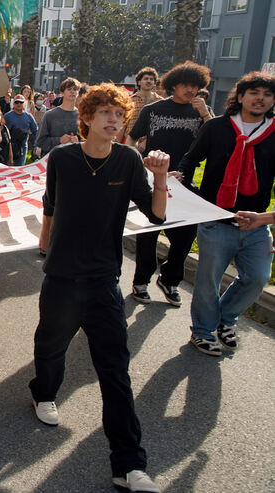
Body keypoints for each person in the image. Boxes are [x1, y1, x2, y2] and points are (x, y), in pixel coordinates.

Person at [33, 83, 168, 493]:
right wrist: (45, 241)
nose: (114, 120)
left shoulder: (128, 161)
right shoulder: (61, 158)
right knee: (50, 347)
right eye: (106, 113)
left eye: (119, 114)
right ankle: (43, 393)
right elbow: (51, 205)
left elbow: (156, 215)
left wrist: (159, 176)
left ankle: (129, 465)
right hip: (60, 276)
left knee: (115, 370)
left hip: (103, 281)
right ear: (87, 118)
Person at [178, 71, 275, 356]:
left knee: (257, 278)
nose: (261, 99)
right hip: (215, 219)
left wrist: (266, 219)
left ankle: (226, 319)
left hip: (256, 224)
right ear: (240, 96)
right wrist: (180, 179)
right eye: (254, 92)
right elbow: (191, 158)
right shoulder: (217, 127)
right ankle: (203, 331)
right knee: (208, 280)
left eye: (268, 95)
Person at [124, 62, 211, 306]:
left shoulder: (201, 112)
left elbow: (219, 138)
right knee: (148, 235)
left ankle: (170, 279)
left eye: (196, 86)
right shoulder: (153, 110)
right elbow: (131, 138)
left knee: (185, 236)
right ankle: (141, 281)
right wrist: (139, 165)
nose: (191, 90)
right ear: (173, 84)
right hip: (152, 181)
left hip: (185, 183)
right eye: (186, 85)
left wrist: (205, 113)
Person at [35, 77, 81, 157]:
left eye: (75, 89)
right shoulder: (50, 115)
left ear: (78, 93)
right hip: (52, 161)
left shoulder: (82, 117)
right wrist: (59, 140)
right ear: (62, 93)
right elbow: (40, 142)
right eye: (69, 89)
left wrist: (79, 142)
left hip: (74, 161)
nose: (72, 92)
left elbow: (89, 142)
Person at [122, 67, 162, 144]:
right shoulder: (130, 100)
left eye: (151, 79)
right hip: (131, 143)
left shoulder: (160, 101)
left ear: (154, 83)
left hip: (152, 143)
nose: (149, 81)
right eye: (146, 79)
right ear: (139, 82)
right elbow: (123, 124)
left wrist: (145, 142)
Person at [3, 95, 38, 165]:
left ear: (24, 103)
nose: (19, 104)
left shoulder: (29, 116)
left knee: (20, 168)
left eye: (21, 102)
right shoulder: (7, 116)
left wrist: (36, 145)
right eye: (17, 102)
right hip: (9, 146)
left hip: (22, 146)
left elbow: (35, 131)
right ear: (13, 104)